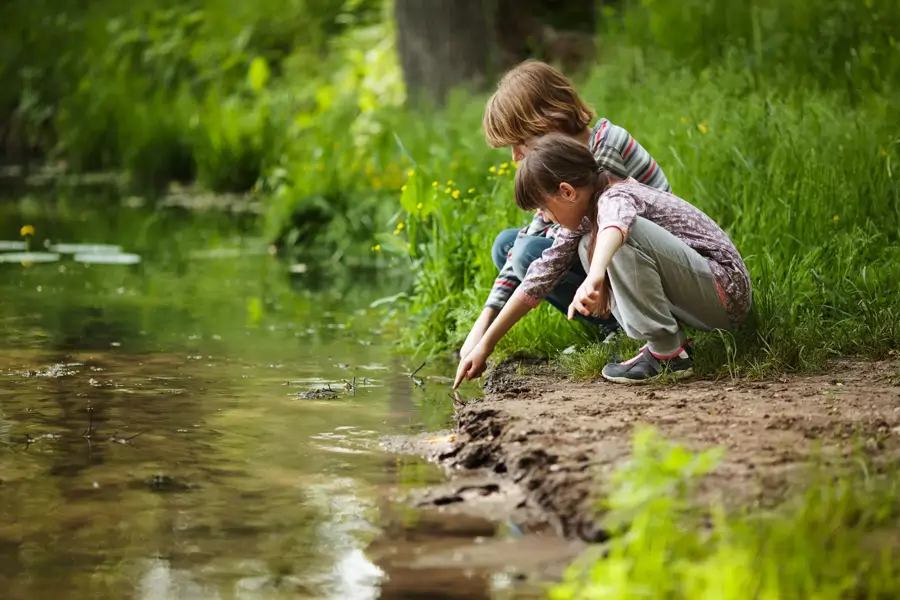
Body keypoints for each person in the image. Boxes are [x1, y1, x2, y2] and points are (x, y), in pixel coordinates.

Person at [454, 134, 752, 387]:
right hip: (700, 296)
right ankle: (673, 346)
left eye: (543, 208)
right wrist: (486, 344)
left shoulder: (616, 196)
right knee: (587, 244)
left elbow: (615, 228)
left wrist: (595, 276)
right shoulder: (584, 218)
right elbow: (538, 278)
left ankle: (667, 355)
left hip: (725, 293)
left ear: (567, 192)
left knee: (617, 238)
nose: (544, 218)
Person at [460, 59, 673, 362]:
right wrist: (481, 327)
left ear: (550, 121)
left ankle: (632, 324)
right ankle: (614, 326)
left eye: (520, 142)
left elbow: (572, 243)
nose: (515, 156)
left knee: (529, 254)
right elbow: (532, 235)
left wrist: (490, 340)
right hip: (603, 252)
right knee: (508, 246)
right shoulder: (558, 164)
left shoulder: (603, 148)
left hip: (647, 262)